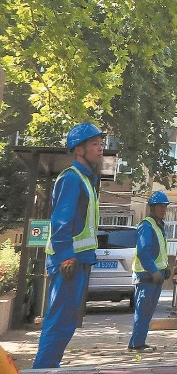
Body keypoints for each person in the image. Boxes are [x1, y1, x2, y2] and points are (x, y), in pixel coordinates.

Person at [32, 122, 105, 369]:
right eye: (94, 144)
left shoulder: (86, 180)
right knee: (59, 322)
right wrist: (66, 256)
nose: (100, 148)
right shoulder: (72, 179)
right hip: (69, 263)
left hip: (77, 261)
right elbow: (61, 222)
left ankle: (49, 366)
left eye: (101, 143)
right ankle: (43, 369)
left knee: (66, 322)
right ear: (79, 150)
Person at [128, 190, 171, 352]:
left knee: (147, 312)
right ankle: (136, 344)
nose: (163, 209)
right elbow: (143, 252)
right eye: (160, 206)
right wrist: (154, 271)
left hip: (154, 277)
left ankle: (138, 342)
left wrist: (165, 268)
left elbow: (159, 251)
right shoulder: (146, 226)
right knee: (143, 312)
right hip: (146, 277)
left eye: (165, 206)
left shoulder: (159, 226)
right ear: (152, 207)